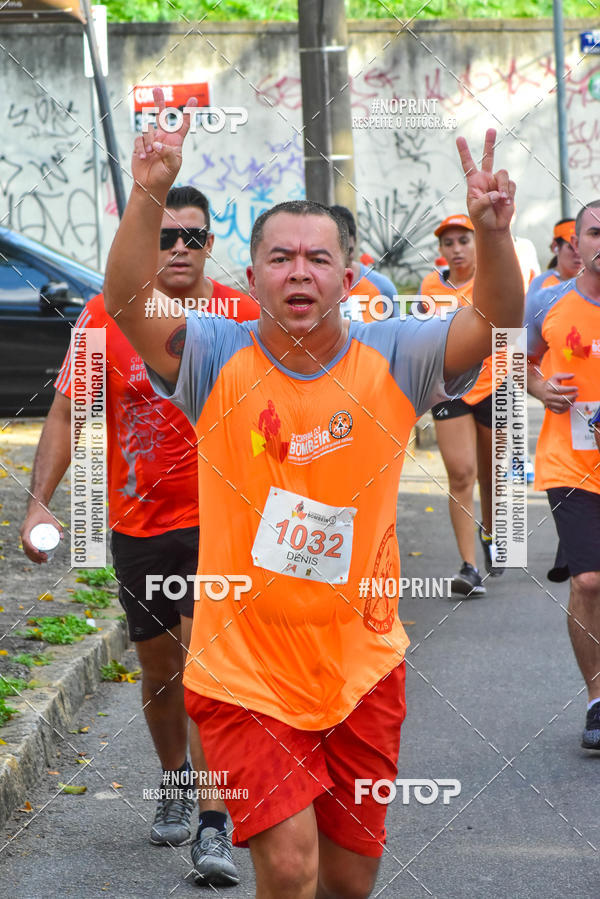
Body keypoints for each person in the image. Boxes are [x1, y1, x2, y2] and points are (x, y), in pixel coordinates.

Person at [103, 91, 522, 898]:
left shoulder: (395, 355)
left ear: (349, 277)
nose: (300, 270)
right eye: (282, 257)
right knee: (290, 865)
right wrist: (150, 188)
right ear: (252, 274)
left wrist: (494, 235)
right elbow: (126, 298)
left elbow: (496, 319)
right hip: (242, 672)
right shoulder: (212, 354)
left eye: (319, 258)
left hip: (362, 668)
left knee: (350, 880)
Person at [20, 185, 259, 886]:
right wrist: (38, 504)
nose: (179, 248)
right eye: (165, 236)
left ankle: (214, 824)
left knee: (208, 670)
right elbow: (68, 414)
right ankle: (176, 778)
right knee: (161, 671)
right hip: (139, 524)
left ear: (210, 243)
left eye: (194, 236)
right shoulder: (106, 316)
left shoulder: (243, 315)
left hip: (223, 522)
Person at [525, 200, 600, 750]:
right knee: (589, 581)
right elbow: (515, 359)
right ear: (576, 245)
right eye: (596, 233)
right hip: (571, 462)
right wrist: (540, 388)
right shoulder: (547, 300)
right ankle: (598, 700)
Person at [420, 214, 501, 595]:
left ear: (476, 244)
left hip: (493, 385)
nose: (456, 249)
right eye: (448, 243)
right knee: (461, 473)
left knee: (492, 474)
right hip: (449, 389)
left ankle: (491, 533)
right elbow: (423, 337)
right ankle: (469, 567)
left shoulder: (492, 278)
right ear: (440, 249)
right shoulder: (429, 287)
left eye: (463, 241)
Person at [330, 204, 398, 302]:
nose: (343, 261)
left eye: (349, 251)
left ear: (355, 241)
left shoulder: (383, 288)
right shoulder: (313, 289)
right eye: (336, 253)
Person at [526, 219, 582, 295]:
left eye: (582, 247)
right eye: (571, 247)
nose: (578, 253)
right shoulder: (542, 286)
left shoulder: (593, 285)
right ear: (555, 246)